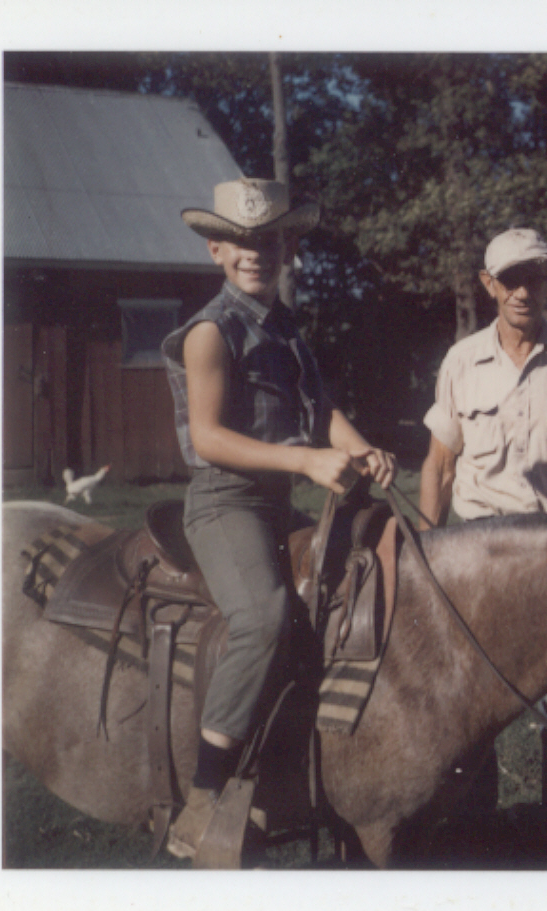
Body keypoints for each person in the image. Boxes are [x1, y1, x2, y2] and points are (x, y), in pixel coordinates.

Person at [160, 178, 396, 858]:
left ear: (285, 246)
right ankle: (204, 793)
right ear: (216, 250)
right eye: (240, 241)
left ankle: (324, 765)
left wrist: (361, 448)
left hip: (276, 501)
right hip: (224, 500)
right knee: (262, 615)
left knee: (360, 577)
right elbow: (206, 438)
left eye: (267, 240)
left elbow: (320, 412)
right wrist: (306, 463)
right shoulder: (211, 331)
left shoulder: (286, 326)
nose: (254, 252)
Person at [419, 227, 547, 812]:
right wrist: (429, 554)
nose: (522, 290)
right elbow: (438, 464)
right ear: (490, 285)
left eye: (534, 276)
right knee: (474, 705)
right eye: (510, 279)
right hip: (480, 558)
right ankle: (477, 832)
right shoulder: (461, 361)